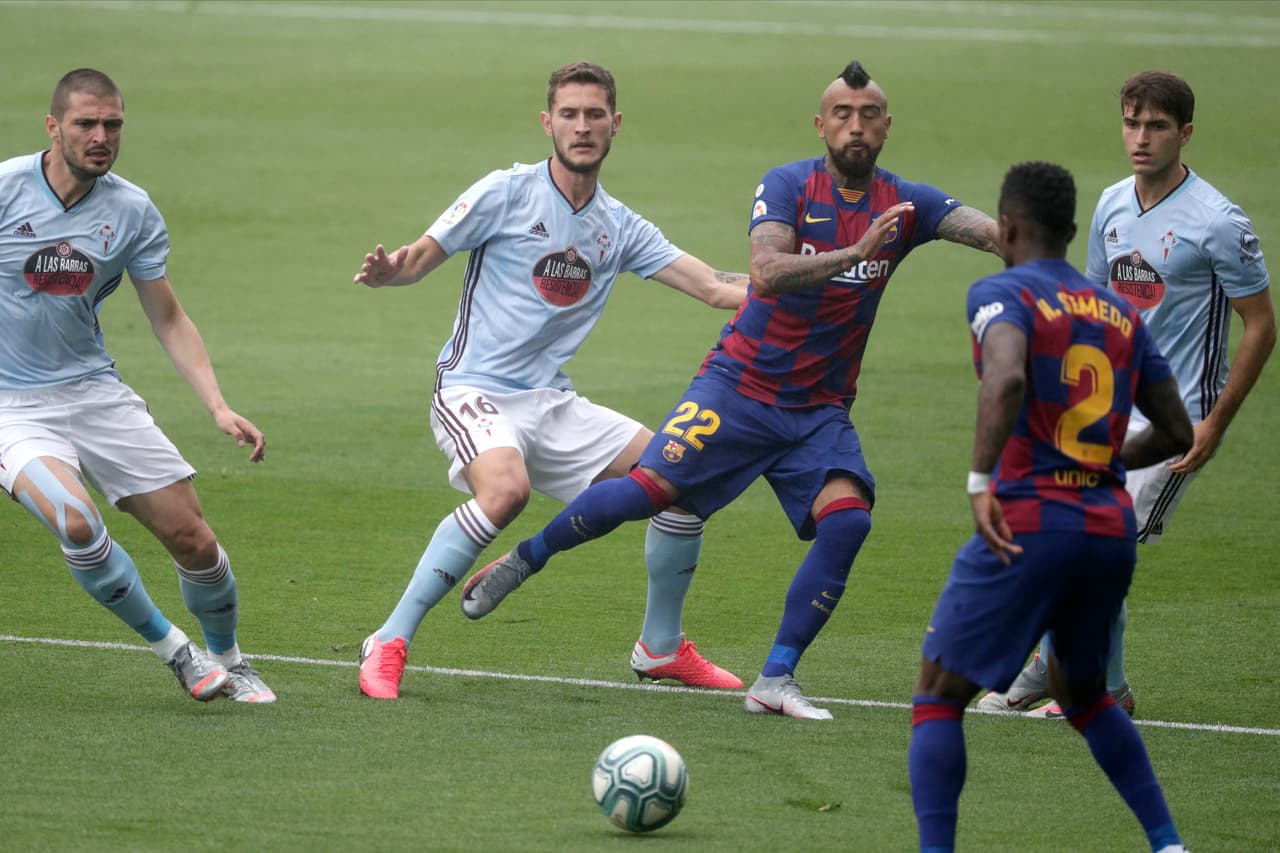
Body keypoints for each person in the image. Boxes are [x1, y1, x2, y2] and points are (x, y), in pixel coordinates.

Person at [458, 60, 1004, 720]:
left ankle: (776, 676)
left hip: (819, 410)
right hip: (740, 385)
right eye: (842, 115)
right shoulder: (788, 186)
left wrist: (1045, 259)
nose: (855, 127)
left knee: (849, 519)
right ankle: (527, 557)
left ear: (887, 126)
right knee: (647, 491)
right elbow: (767, 272)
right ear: (821, 125)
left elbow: (991, 233)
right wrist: (855, 252)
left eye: (868, 116)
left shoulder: (908, 204)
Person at [353, 61, 750, 700]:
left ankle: (661, 649)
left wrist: (815, 284)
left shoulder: (618, 226)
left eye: (595, 115)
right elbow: (418, 259)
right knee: (504, 491)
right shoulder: (504, 192)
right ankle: (389, 639)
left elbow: (712, 287)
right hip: (472, 389)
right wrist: (387, 271)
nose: (582, 126)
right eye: (569, 114)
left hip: (551, 402)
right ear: (548, 123)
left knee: (679, 478)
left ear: (615, 125)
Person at [909, 161, 1194, 853]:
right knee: (1084, 690)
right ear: (1070, 232)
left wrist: (981, 481)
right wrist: (1101, 461)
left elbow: (1005, 375)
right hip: (1106, 527)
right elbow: (1180, 432)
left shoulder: (999, 291)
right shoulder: (1121, 311)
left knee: (938, 692)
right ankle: (1168, 843)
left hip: (1029, 521)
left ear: (1005, 228)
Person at [978, 70, 1274, 718]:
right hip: (1106, 409)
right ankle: (1065, 673)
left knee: (1098, 537)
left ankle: (1093, 686)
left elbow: (1262, 324)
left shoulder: (1219, 222)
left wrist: (1215, 424)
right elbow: (1089, 308)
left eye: (1157, 126)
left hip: (1180, 416)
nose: (1141, 138)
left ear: (1185, 133)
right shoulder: (1112, 203)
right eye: (1132, 123)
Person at [0, 69, 275, 703]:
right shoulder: (8, 189)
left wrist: (218, 405)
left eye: (113, 125)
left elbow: (168, 316)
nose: (101, 137)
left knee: (193, 539)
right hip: (13, 407)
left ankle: (229, 658)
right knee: (75, 521)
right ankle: (174, 650)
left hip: (93, 393)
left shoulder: (131, 210)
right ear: (53, 126)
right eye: (85, 125)